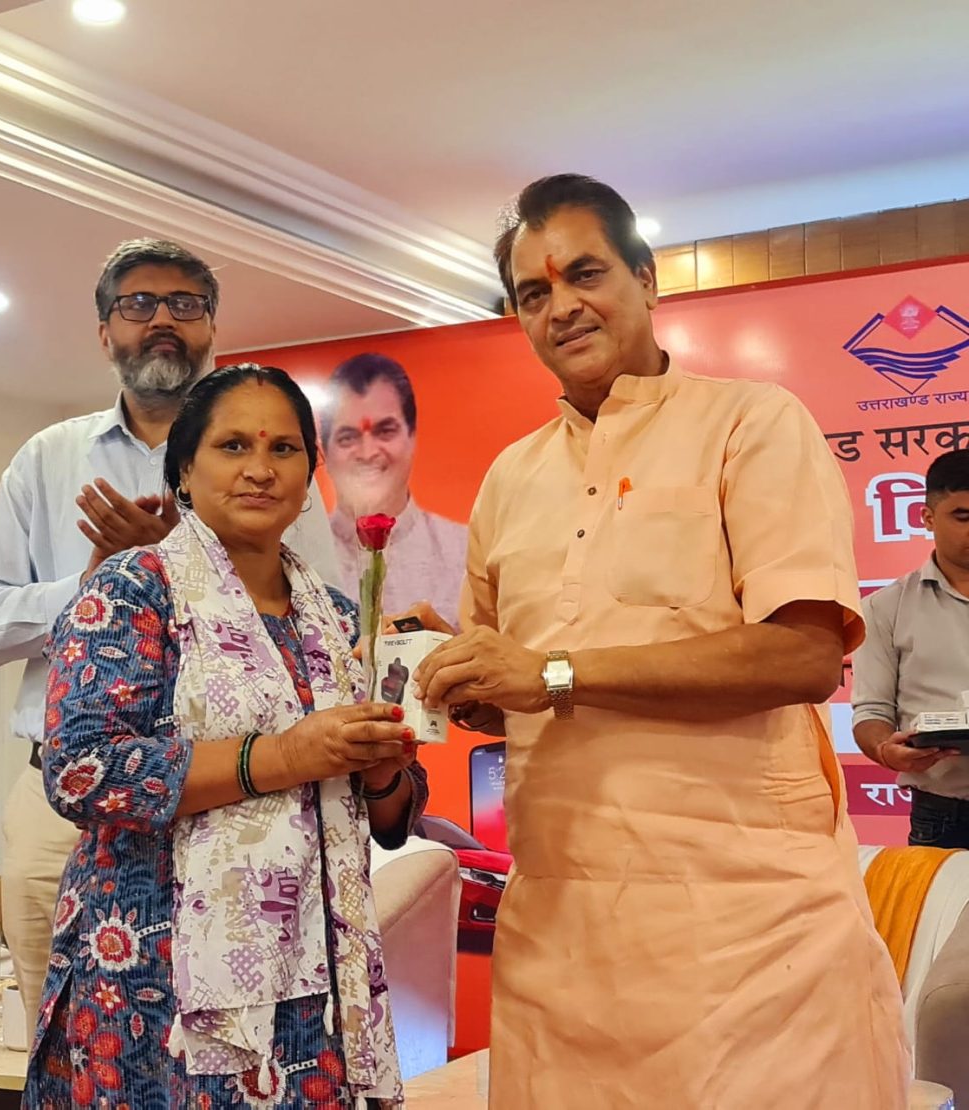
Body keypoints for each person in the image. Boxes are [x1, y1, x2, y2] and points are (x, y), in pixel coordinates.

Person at [413, 174, 908, 1107]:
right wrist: (461, 678)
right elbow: (515, 694)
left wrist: (553, 673)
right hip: (562, 933)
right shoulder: (510, 479)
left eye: (585, 274)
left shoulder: (750, 423)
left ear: (646, 279)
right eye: (533, 293)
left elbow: (803, 656)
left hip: (747, 927)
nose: (562, 307)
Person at [0, 239, 340, 1043]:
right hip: (64, 800)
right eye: (139, 304)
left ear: (212, 328)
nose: (163, 319)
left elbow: (323, 629)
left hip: (244, 804)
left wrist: (196, 570)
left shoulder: (275, 472)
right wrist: (99, 585)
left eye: (185, 304)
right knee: (68, 1039)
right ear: (104, 332)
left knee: (228, 1047)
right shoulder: (49, 457)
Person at [23, 364, 426, 1108]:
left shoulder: (338, 618)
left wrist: (380, 769)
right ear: (184, 468)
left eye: (283, 449)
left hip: (317, 976)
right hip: (157, 970)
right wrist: (282, 757)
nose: (260, 469)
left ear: (308, 474)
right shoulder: (134, 590)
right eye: (233, 446)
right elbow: (82, 772)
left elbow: (393, 814)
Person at [852, 449, 969, 845]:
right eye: (963, 516)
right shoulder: (884, 608)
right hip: (945, 814)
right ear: (927, 517)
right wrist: (886, 750)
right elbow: (872, 711)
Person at [323, 353, 467, 629]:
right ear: (325, 453)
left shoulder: (467, 554)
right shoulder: (296, 563)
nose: (367, 453)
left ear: (412, 438)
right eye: (347, 437)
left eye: (385, 431)